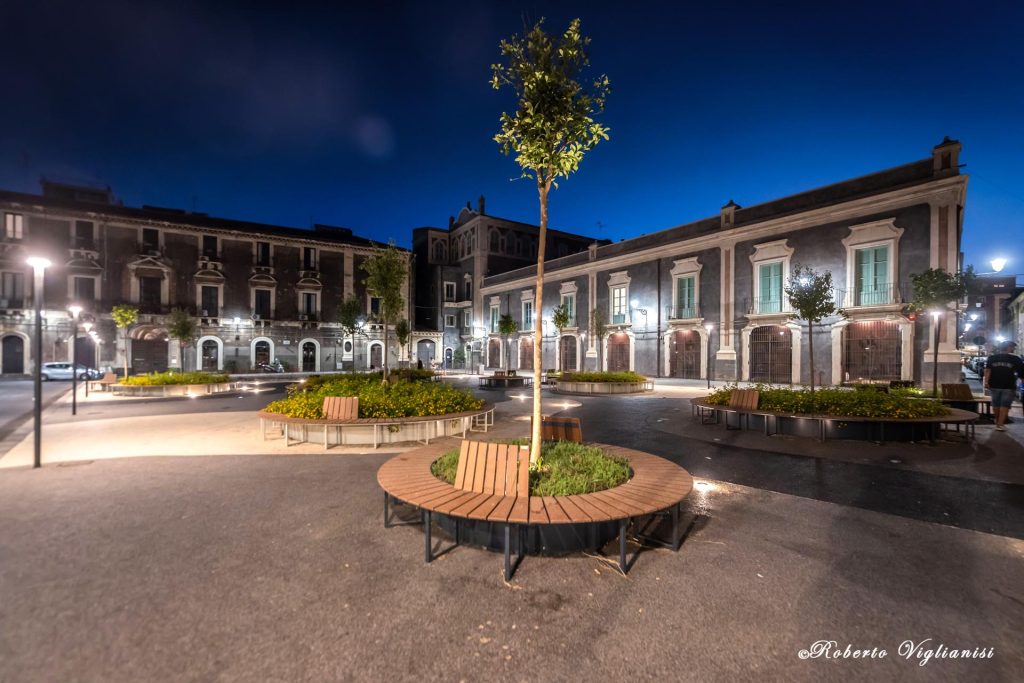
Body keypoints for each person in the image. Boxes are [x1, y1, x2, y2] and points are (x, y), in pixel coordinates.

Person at [983, 341, 1024, 431]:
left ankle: (998, 422)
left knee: (996, 404)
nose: (1014, 349)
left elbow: (987, 370)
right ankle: (1000, 424)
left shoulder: (992, 358)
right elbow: (1021, 373)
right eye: (1013, 347)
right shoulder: (1015, 359)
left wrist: (986, 382)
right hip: (1008, 385)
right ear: (1008, 347)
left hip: (994, 384)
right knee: (1004, 405)